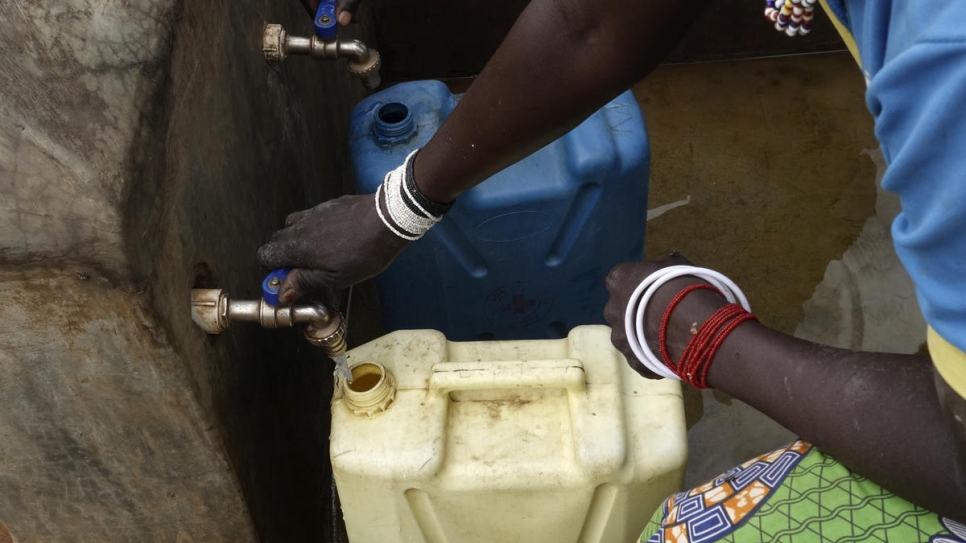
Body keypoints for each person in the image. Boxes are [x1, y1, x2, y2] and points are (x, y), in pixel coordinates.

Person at [259, 0, 966, 536]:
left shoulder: (946, 74)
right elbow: (587, 24)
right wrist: (400, 206)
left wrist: (710, 339)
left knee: (684, 526)